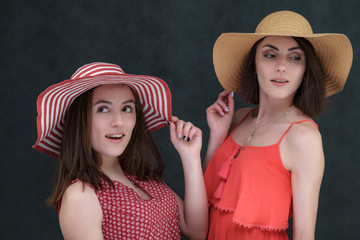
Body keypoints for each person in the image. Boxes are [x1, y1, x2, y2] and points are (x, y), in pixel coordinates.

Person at [203, 10, 353, 240]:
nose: (281, 66)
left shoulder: (303, 137)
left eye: (295, 57)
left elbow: (304, 235)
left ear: (305, 71)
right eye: (270, 55)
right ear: (254, 64)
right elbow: (205, 201)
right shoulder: (239, 118)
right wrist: (217, 133)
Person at [33, 62, 208, 240]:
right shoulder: (81, 194)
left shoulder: (144, 179)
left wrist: (190, 156)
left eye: (126, 109)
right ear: (80, 120)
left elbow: (196, 231)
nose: (119, 121)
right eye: (102, 109)